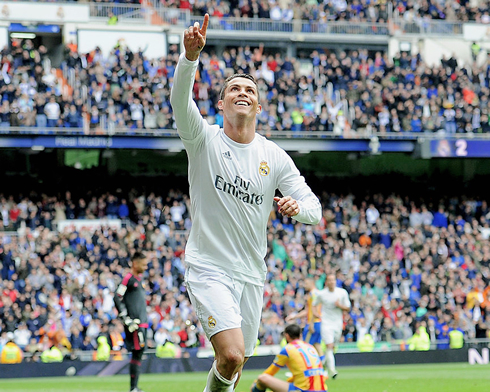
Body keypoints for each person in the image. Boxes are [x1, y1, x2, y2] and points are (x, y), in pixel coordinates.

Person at [170, 14, 322, 392]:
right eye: (235, 88)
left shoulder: (274, 156)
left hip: (252, 274)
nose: (243, 93)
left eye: (250, 91)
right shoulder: (203, 140)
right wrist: (190, 58)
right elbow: (178, 101)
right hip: (209, 268)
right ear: (221, 103)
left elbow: (314, 209)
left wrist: (296, 208)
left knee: (234, 367)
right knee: (233, 354)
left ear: (258, 107)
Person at [250, 324, 327, 392]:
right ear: (300, 335)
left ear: (286, 336)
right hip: (322, 389)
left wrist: (255, 383)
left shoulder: (288, 349)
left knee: (262, 378)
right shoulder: (310, 347)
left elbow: (271, 371)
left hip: (303, 390)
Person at [114, 251, 149, 392]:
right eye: (144, 264)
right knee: (137, 352)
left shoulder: (139, 280)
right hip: (135, 324)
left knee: (139, 353)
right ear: (135, 263)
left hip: (142, 323)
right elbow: (117, 296)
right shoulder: (128, 278)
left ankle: (134, 387)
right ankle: (133, 388)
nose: (146, 267)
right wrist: (126, 318)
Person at [313, 273, 351, 379]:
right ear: (326, 282)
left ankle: (324, 364)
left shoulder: (342, 292)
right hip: (326, 323)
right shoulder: (321, 294)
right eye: (329, 280)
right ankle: (332, 370)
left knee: (332, 347)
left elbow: (348, 308)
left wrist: (339, 305)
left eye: (333, 280)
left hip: (337, 323)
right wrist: (316, 313)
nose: (331, 282)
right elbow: (314, 305)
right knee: (329, 346)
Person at [286, 278, 323, 359]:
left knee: (305, 345)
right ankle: (324, 367)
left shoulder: (313, 294)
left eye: (306, 283)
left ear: (312, 283)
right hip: (318, 323)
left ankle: (305, 368)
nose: (304, 285)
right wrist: (294, 317)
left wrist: (311, 324)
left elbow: (315, 311)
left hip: (314, 323)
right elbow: (307, 311)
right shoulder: (316, 293)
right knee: (317, 345)